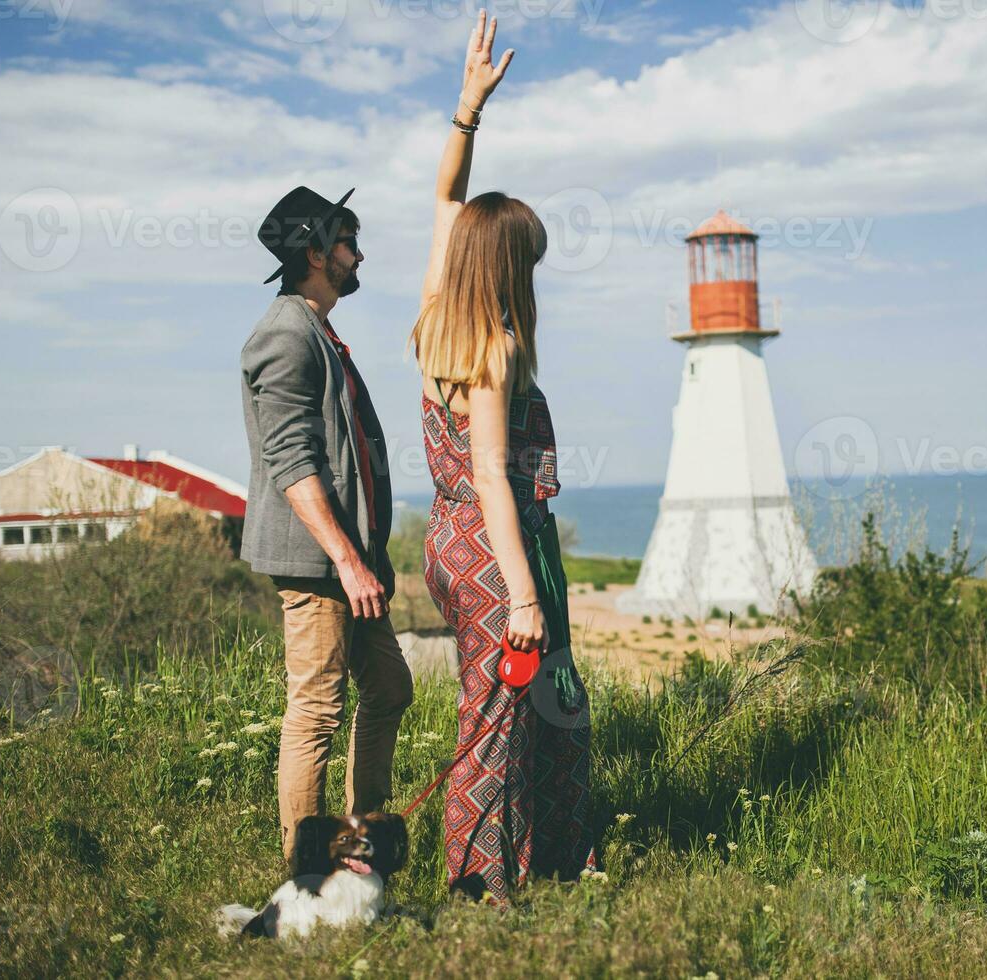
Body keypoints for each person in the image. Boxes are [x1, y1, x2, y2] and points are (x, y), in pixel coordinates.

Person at [411, 9, 596, 903]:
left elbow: (446, 202)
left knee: (536, 709)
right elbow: (492, 475)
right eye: (532, 259)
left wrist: (467, 109)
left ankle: (551, 856)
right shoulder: (495, 346)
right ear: (512, 263)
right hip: (494, 551)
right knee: (497, 721)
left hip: (449, 541)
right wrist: (523, 595)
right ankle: (483, 884)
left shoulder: (438, 309)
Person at [241, 182, 413, 863]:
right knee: (317, 708)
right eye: (348, 241)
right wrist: (344, 557)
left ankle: (361, 840)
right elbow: (291, 459)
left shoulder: (318, 329)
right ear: (316, 253)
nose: (358, 253)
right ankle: (307, 869)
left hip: (349, 561)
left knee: (390, 688)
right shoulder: (285, 333)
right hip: (319, 562)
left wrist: (362, 556)